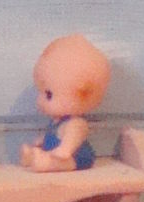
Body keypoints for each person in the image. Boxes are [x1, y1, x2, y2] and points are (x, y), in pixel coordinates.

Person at [20, 34, 110, 172]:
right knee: (45, 154)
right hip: (55, 152)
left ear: (82, 94)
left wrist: (65, 149)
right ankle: (32, 157)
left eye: (48, 95)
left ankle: (44, 163)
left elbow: (72, 140)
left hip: (76, 157)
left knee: (62, 162)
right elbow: (54, 135)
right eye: (40, 92)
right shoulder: (57, 121)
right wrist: (42, 140)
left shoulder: (76, 124)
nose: (39, 101)